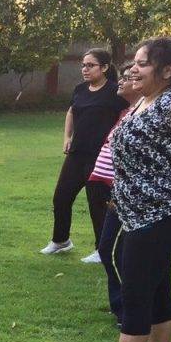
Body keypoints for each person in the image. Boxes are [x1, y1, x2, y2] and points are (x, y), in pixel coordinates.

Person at [74, 36, 171, 342]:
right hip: (136, 211)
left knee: (137, 290)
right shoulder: (144, 100)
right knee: (157, 287)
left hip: (162, 212)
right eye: (134, 62)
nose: (133, 69)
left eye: (142, 63)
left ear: (167, 70)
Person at [40, 48, 127, 257]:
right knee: (61, 198)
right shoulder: (80, 89)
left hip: (100, 157)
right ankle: (61, 241)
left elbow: (127, 114)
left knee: (97, 203)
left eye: (90, 65)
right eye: (83, 65)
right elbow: (71, 111)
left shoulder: (116, 92)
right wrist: (67, 138)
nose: (85, 69)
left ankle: (101, 249)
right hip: (77, 153)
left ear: (104, 67)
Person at [88, 63, 139, 326]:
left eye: (129, 78)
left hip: (133, 196)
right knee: (108, 248)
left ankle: (130, 308)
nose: (121, 82)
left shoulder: (147, 114)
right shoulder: (125, 112)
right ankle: (120, 305)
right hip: (117, 193)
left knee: (119, 252)